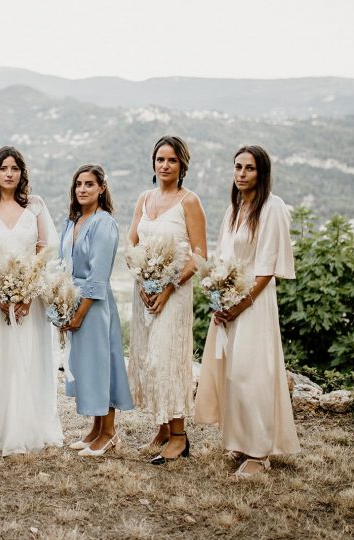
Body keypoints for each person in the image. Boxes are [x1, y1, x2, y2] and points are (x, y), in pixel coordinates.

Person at [195, 145, 300, 477]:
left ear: (262, 172)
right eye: (237, 167)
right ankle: (238, 441)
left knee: (250, 375)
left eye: (249, 168)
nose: (241, 173)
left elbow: (266, 268)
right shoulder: (234, 208)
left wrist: (241, 304)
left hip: (254, 304)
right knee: (229, 373)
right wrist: (219, 299)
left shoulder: (273, 208)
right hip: (228, 303)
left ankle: (259, 453)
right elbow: (224, 260)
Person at [0, 146, 63, 456]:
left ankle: (27, 426)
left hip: (29, 298)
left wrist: (26, 294)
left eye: (15, 168)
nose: (9, 173)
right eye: (3, 168)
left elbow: (43, 250)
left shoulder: (35, 206)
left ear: (22, 173)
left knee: (27, 357)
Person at [126, 136, 207, 465]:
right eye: (160, 159)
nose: (165, 165)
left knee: (167, 359)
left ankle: (179, 437)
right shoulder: (144, 198)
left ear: (182, 165)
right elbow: (132, 240)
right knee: (148, 358)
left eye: (172, 160)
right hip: (144, 290)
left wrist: (169, 284)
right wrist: (142, 279)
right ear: (153, 163)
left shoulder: (190, 201)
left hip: (173, 293)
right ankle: (161, 428)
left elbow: (200, 253)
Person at [58, 164, 133, 457]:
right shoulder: (71, 221)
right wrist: (62, 302)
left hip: (95, 304)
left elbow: (99, 274)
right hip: (73, 298)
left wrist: (80, 313)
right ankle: (96, 428)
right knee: (87, 366)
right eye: (78, 184)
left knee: (104, 365)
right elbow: (63, 263)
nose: (82, 189)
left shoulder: (105, 223)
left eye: (89, 184)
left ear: (102, 188)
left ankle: (110, 433)